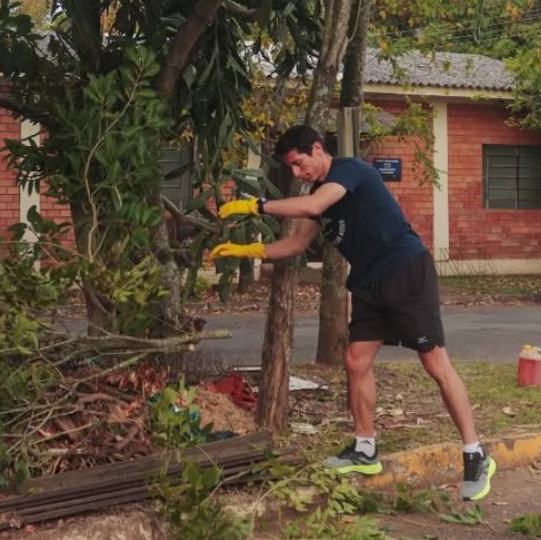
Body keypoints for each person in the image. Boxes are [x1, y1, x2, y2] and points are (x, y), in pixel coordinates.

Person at [210, 125, 495, 502]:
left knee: (434, 362)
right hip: (368, 280)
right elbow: (295, 244)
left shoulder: (350, 170)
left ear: (317, 148)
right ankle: (365, 448)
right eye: (291, 168)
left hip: (404, 269)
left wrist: (256, 206)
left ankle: (475, 454)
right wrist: (248, 252)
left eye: (299, 163)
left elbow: (313, 206)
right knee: (356, 361)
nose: (297, 173)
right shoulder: (318, 193)